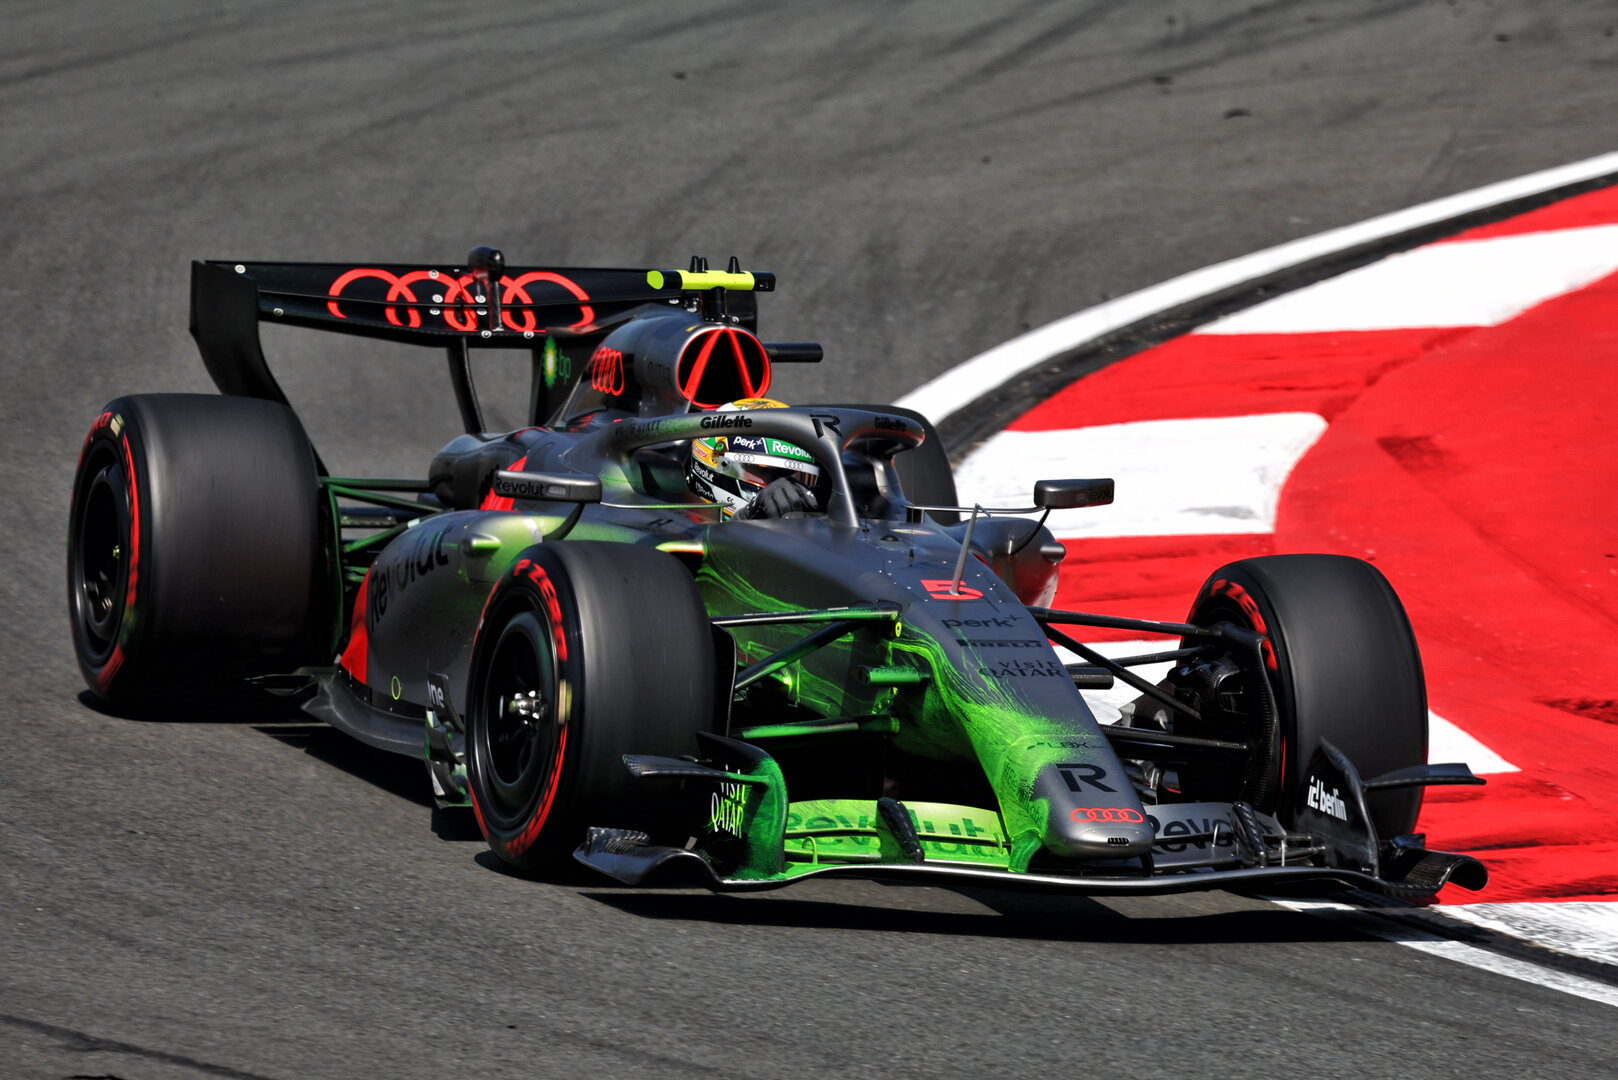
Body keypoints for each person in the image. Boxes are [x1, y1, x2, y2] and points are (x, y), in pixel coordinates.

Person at [685, 398, 820, 520]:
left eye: (793, 475)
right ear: (720, 463)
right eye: (765, 471)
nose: (785, 488)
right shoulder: (682, 526)